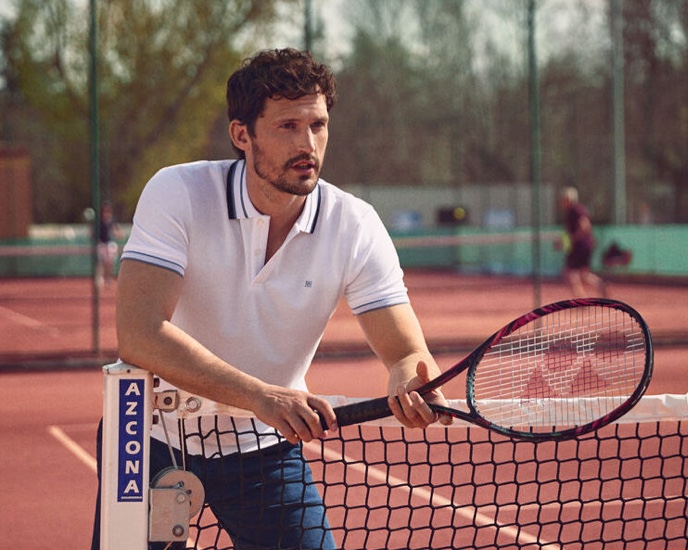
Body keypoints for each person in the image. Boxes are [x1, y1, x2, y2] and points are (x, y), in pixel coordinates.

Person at [91, 48, 449, 549]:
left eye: (318, 125)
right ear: (243, 135)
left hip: (262, 447)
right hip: (150, 438)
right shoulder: (178, 191)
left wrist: (410, 379)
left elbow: (406, 351)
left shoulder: (355, 224)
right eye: (287, 126)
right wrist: (261, 395)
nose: (309, 144)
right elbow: (139, 334)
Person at [558, 186, 606, 298]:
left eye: (563, 199)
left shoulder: (576, 210)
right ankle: (600, 285)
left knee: (570, 272)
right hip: (581, 246)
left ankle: (580, 298)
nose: (561, 202)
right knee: (583, 274)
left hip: (580, 246)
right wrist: (564, 242)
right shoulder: (570, 212)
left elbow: (585, 227)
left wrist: (572, 239)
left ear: (569, 199)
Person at [96, 201, 121, 287]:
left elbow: (117, 230)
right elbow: (94, 232)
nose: (106, 212)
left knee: (110, 263)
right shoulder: (99, 221)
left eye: (108, 210)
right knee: (102, 262)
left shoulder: (112, 220)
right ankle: (100, 278)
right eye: (105, 210)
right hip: (102, 243)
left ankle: (108, 278)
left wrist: (117, 233)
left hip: (110, 244)